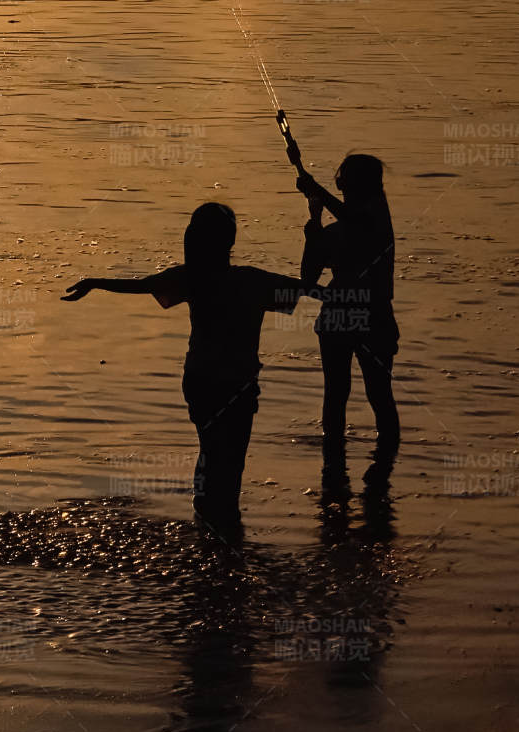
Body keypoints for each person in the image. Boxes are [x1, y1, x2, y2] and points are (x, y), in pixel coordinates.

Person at [63, 202, 324, 538]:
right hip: (237, 385)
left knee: (211, 449)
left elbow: (140, 285)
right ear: (230, 242)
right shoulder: (253, 281)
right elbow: (312, 290)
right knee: (230, 459)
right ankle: (221, 529)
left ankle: (208, 522)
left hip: (200, 380)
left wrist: (95, 282)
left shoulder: (189, 278)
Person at [295, 155, 400, 452]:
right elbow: (308, 276)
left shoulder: (374, 217)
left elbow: (353, 220)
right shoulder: (355, 225)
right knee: (364, 395)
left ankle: (336, 467)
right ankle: (376, 470)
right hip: (368, 316)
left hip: (350, 316)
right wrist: (314, 220)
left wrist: (316, 193)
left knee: (350, 395)